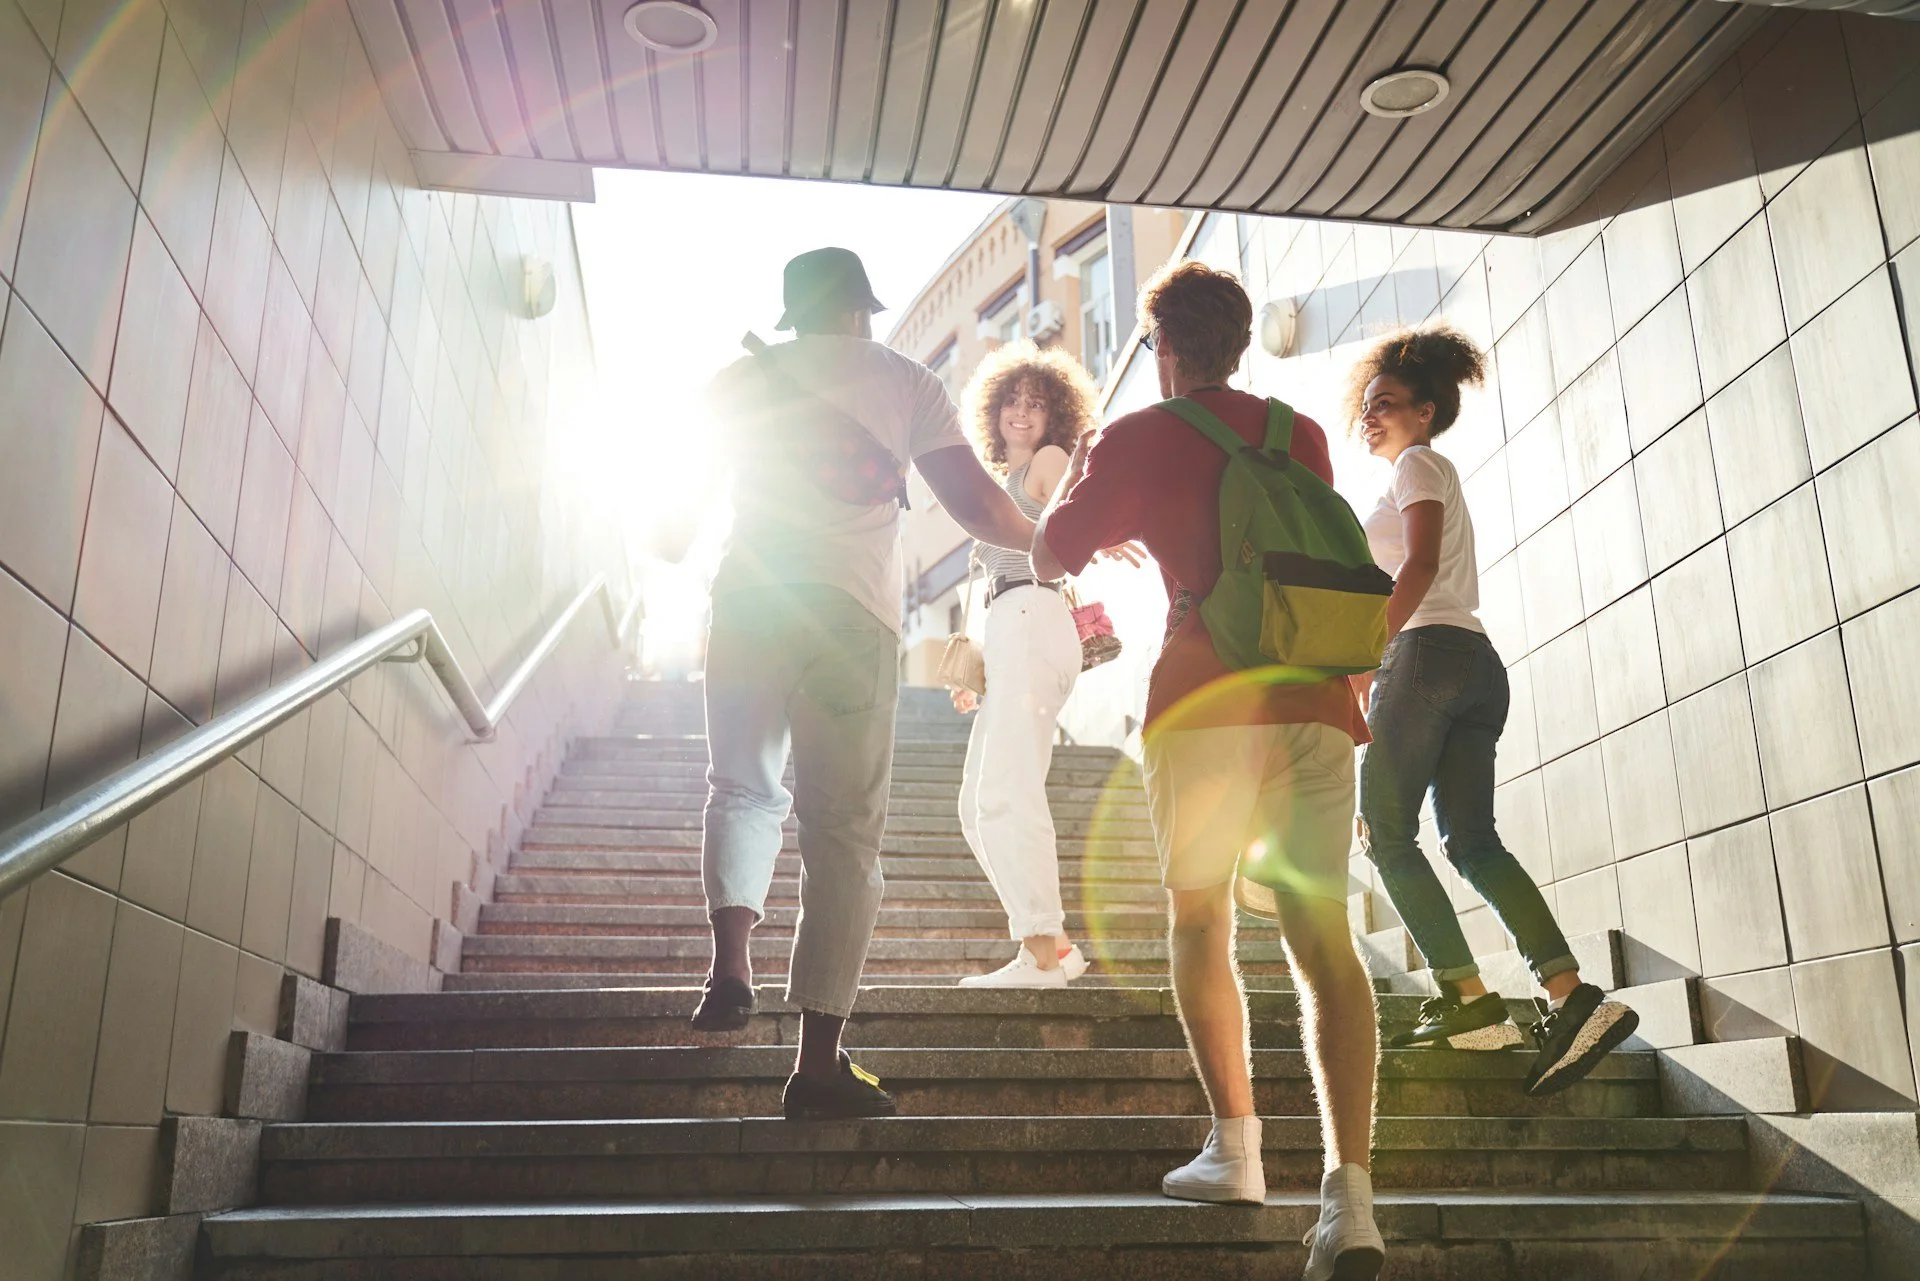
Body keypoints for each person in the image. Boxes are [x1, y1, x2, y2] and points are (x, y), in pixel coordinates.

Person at [1033, 261, 1385, 1281]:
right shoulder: (1298, 435)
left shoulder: (1141, 436)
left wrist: (1098, 464)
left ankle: (1236, 1151)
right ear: (1235, 342)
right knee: (1326, 939)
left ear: (1165, 350)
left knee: (1201, 919)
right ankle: (1350, 1204)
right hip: (1316, 701)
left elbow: (1057, 549)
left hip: (1204, 700)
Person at [693, 247, 1038, 1122]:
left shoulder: (740, 379)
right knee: (842, 835)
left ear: (792, 314)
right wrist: (1058, 546)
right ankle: (816, 1066)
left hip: (746, 603)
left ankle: (731, 964)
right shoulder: (904, 379)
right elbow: (977, 509)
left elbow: (669, 526)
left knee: (740, 786)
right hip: (851, 619)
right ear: (861, 310)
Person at [1348, 325, 1638, 1095]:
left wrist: (1365, 655)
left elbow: (1416, 563)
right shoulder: (1420, 469)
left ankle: (1470, 1002)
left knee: (1383, 830)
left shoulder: (1418, 464)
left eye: (1386, 403)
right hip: (1474, 663)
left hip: (1427, 654)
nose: (1369, 416)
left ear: (1426, 409)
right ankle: (1570, 993)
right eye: (1366, 407)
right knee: (1472, 841)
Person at [950, 342, 1127, 989]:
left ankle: (1042, 953)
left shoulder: (1050, 460)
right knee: (976, 806)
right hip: (1011, 628)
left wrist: (1104, 531)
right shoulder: (1004, 481)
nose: (1022, 412)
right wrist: (984, 671)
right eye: (1012, 402)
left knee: (1007, 792)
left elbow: (1078, 505)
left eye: (1036, 402)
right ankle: (1052, 942)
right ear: (994, 413)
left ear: (1053, 413)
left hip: (1031, 616)